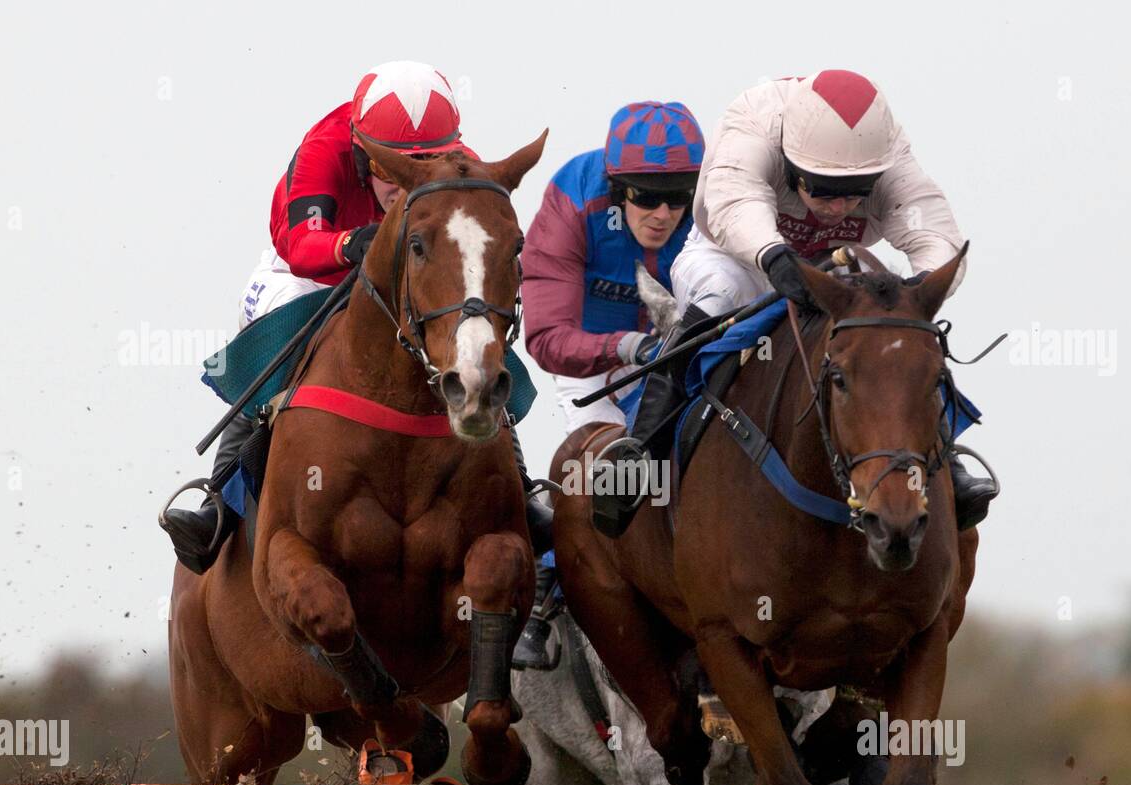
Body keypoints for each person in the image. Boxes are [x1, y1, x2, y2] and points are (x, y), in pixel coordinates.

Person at [161, 60, 550, 573]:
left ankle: (519, 490)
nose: (406, 183)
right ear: (363, 153)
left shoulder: (463, 166)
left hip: (407, 269)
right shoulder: (323, 149)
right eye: (393, 170)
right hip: (311, 270)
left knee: (469, 337)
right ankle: (218, 501)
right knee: (288, 338)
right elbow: (301, 245)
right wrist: (351, 243)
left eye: (428, 161)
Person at [600, 70, 997, 537]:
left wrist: (920, 290)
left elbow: (934, 231)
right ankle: (641, 454)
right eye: (822, 189)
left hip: (833, 267)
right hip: (735, 254)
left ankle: (946, 460)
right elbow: (733, 201)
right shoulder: (756, 119)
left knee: (895, 333)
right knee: (721, 293)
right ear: (791, 164)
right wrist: (774, 257)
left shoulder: (887, 152)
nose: (837, 206)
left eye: (856, 193)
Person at [512, 100, 704, 667]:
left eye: (676, 198)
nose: (663, 213)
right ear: (618, 188)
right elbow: (547, 337)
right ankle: (547, 590)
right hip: (591, 359)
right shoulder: (573, 196)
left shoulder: (714, 200)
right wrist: (625, 347)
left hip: (679, 351)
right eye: (645, 197)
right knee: (607, 460)